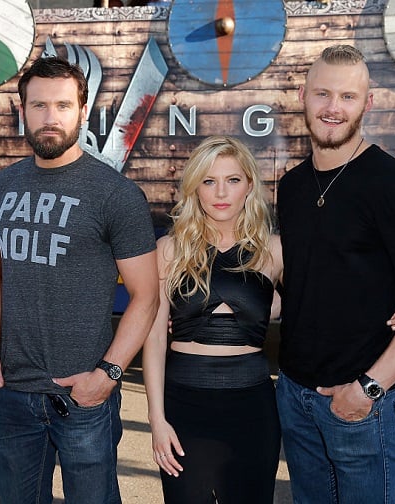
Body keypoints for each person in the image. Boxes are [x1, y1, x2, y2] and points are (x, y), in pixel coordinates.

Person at [276, 45, 395, 503]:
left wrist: (367, 389)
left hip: (363, 404)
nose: (333, 108)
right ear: (302, 96)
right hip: (295, 397)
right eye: (322, 93)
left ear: (368, 103)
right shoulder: (292, 186)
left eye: (348, 96)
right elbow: (302, 288)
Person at [0, 56, 159, 504]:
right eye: (39, 105)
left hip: (84, 397)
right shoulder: (3, 187)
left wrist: (108, 375)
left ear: (83, 111)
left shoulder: (116, 194)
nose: (50, 117)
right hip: (13, 394)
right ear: (22, 110)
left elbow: (146, 297)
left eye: (62, 105)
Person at [143, 135, 283, 503]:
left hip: (253, 409)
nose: (221, 192)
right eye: (209, 181)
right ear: (195, 188)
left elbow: (319, 305)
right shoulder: (169, 250)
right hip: (184, 406)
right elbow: (154, 339)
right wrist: (157, 420)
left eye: (232, 180)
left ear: (249, 185)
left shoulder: (273, 250)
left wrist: (391, 307)